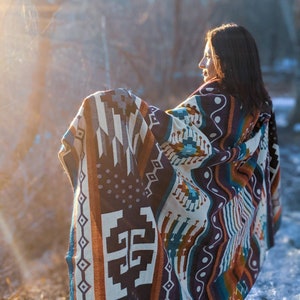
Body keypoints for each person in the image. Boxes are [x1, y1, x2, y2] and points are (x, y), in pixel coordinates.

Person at [59, 23, 281, 300]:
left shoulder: (214, 101)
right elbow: (262, 164)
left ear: (228, 60)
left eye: (209, 56)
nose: (202, 64)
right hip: (231, 225)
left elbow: (172, 136)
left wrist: (115, 107)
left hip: (200, 221)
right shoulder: (260, 106)